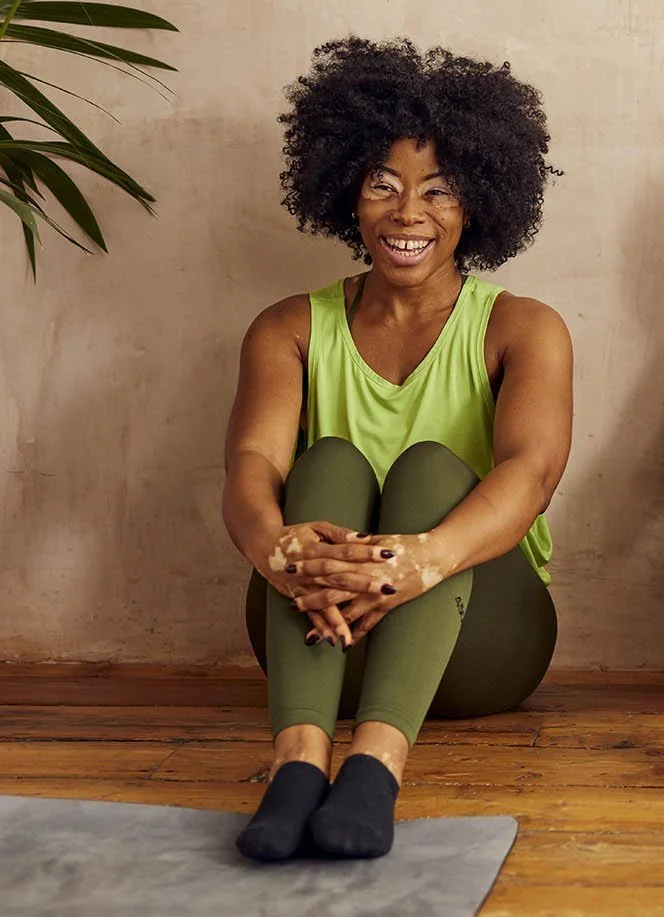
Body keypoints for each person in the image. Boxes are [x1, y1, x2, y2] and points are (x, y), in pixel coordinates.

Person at [222, 38, 572, 861]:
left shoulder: (523, 327)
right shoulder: (289, 327)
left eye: (439, 191)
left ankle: (375, 770)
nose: (408, 213)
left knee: (426, 471)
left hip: (479, 643)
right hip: (318, 629)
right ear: (347, 191)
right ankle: (299, 767)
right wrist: (276, 548)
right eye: (384, 185)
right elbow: (250, 468)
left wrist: (420, 560)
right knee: (329, 463)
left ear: (477, 203)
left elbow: (534, 474)